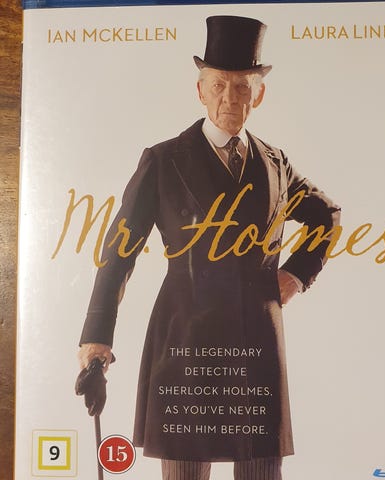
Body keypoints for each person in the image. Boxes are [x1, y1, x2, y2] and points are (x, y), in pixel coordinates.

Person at [77, 15, 340, 480]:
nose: (230, 98)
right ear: (200, 91)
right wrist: (97, 340)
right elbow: (120, 251)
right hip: (185, 345)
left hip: (257, 346)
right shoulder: (163, 161)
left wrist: (297, 274)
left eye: (242, 87)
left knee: (262, 473)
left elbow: (327, 215)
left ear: (259, 94)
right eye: (219, 85)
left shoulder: (276, 164)